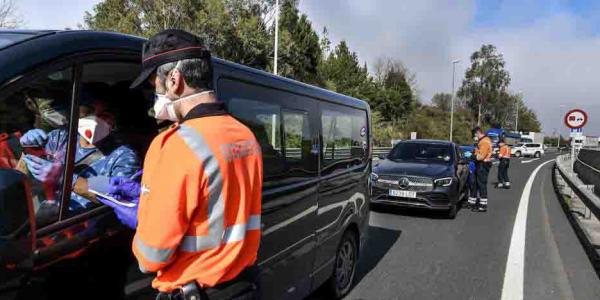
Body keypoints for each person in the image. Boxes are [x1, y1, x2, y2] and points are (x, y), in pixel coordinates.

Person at [98, 29, 263, 299]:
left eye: (154, 85)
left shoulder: (174, 146)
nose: (156, 95)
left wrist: (144, 219)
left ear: (174, 79)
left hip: (196, 291)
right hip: (244, 285)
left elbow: (150, 257)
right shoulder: (246, 136)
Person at [19, 86, 141, 214]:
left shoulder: (123, 156)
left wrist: (64, 178)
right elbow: (24, 176)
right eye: (88, 113)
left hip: (81, 226)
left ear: (114, 118)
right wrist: (28, 147)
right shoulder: (61, 137)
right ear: (75, 113)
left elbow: (119, 199)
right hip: (47, 218)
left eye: (104, 115)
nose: (95, 120)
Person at [471, 127, 493, 212]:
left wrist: (471, 156)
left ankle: (483, 206)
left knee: (481, 185)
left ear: (477, 133)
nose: (474, 137)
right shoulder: (484, 141)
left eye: (474, 135)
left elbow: (480, 157)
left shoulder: (484, 142)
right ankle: (475, 203)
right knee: (477, 184)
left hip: (482, 165)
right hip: (481, 165)